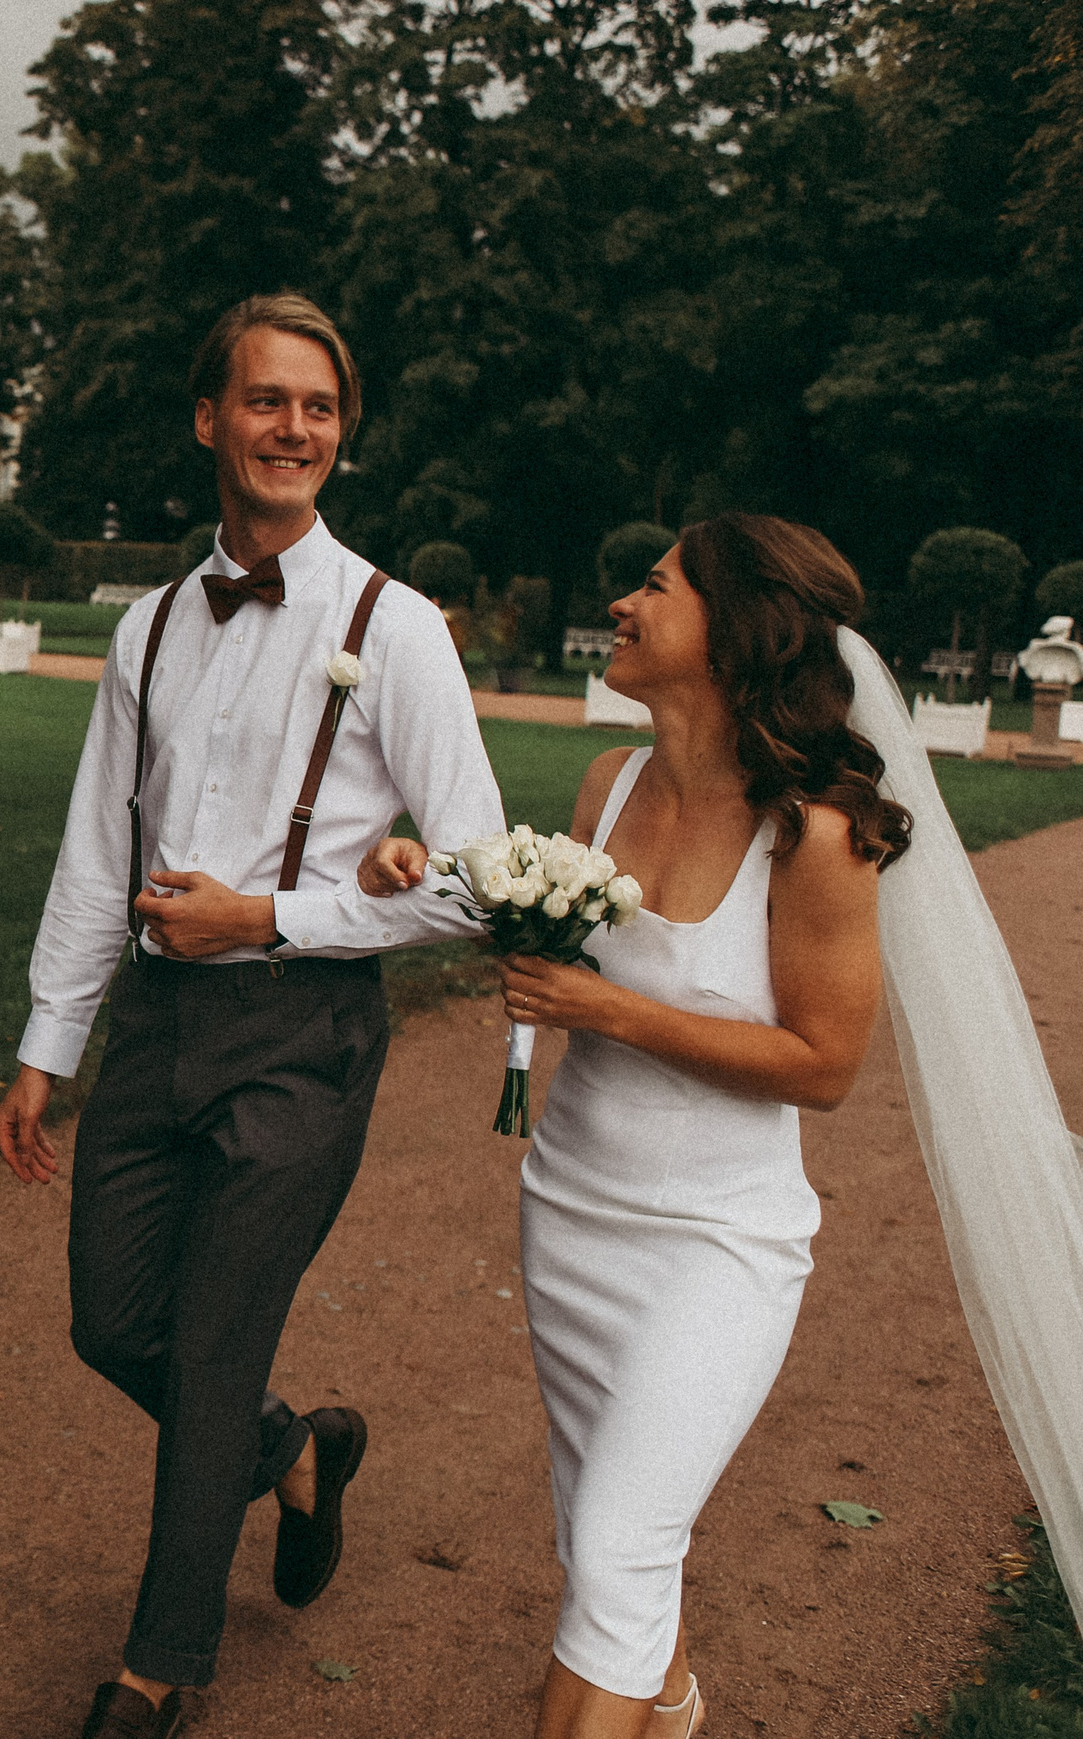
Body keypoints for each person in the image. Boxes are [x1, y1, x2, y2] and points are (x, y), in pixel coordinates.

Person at [0, 293, 504, 1739]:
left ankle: (159, 1665)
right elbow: (99, 848)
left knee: (211, 1343)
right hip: (156, 1028)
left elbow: (475, 880)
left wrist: (271, 915)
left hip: (305, 1030)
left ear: (342, 434)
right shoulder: (150, 627)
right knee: (112, 1321)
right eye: (267, 401)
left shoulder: (392, 627)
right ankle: (293, 1447)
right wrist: (49, 1041)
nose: (295, 429)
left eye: (320, 407)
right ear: (210, 419)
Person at [359, 515, 913, 1738]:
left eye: (653, 587)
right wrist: (429, 873)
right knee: (595, 1533)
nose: (621, 602)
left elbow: (825, 1066)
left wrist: (608, 1008)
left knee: (615, 1541)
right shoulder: (610, 783)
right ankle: (666, 1705)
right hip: (571, 1213)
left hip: (718, 1242)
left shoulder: (814, 837)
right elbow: (549, 926)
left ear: (733, 631)